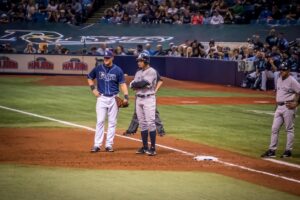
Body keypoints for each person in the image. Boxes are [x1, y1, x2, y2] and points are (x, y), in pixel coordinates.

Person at [87, 50, 129, 153]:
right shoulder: (98, 68)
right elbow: (89, 77)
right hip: (101, 98)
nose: (106, 59)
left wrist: (126, 97)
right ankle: (97, 145)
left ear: (112, 58)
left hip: (114, 99)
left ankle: (109, 145)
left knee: (112, 122)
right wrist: (93, 89)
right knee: (100, 121)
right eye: (105, 58)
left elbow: (122, 84)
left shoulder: (118, 70)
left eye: (108, 58)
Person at [261, 62, 300, 158]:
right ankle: (272, 150)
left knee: (289, 129)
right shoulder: (278, 78)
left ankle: (288, 151)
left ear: (288, 71)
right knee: (274, 128)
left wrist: (296, 103)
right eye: (281, 69)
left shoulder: (292, 81)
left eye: (284, 70)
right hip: (279, 107)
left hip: (288, 107)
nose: (281, 71)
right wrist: (277, 105)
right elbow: (279, 93)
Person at [130, 52, 158, 156]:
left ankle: (153, 148)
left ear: (146, 61)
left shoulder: (152, 71)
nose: (138, 62)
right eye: (138, 61)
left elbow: (143, 83)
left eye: (140, 61)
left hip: (149, 99)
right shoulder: (138, 72)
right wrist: (136, 85)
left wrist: (136, 85)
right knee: (142, 123)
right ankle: (145, 147)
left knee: (150, 122)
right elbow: (132, 85)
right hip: (139, 99)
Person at [123, 70, 166, 136]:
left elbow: (160, 80)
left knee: (154, 113)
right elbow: (135, 83)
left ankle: (161, 131)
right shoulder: (138, 71)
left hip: (149, 97)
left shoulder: (152, 71)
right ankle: (131, 130)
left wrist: (155, 90)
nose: (139, 63)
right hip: (139, 96)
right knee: (137, 113)